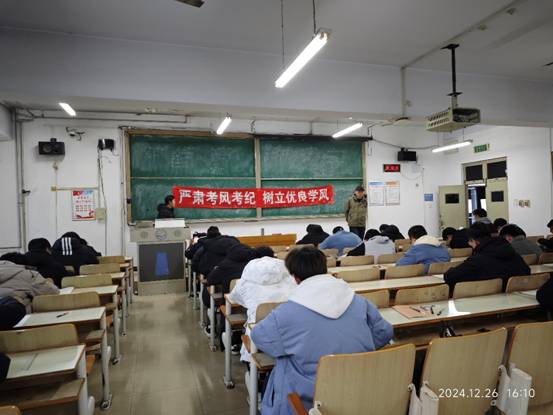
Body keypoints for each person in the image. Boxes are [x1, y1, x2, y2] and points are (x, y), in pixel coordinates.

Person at [250, 247, 393, 414]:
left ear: (295, 278)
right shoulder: (359, 301)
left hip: (311, 398)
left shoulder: (286, 312)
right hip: (361, 387)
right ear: (324, 268)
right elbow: (384, 332)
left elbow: (260, 338)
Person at [228, 255, 297, 362]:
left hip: (260, 337)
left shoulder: (245, 283)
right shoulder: (290, 281)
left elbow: (233, 298)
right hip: (291, 336)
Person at [444, 222, 530, 290]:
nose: (469, 244)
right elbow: (527, 271)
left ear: (475, 241)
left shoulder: (478, 260)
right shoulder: (513, 253)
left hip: (489, 301)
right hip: (516, 298)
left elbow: (450, 276)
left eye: (470, 241)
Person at [202, 243, 258, 308]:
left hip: (230, 306)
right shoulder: (255, 265)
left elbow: (210, 280)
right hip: (252, 305)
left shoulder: (224, 265)